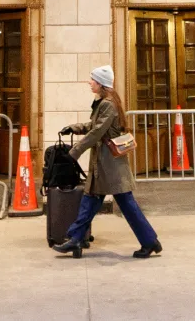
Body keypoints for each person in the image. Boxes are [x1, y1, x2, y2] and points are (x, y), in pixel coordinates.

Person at [52, 65, 162, 259]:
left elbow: (97, 132)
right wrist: (74, 128)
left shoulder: (108, 104)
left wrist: (74, 152)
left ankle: (149, 241)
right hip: (105, 164)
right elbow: (94, 126)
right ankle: (76, 239)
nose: (89, 82)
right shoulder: (104, 102)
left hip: (109, 165)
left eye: (92, 79)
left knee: (125, 204)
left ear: (101, 83)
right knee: (91, 200)